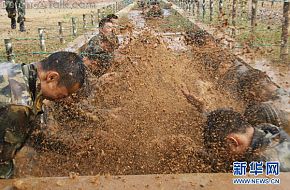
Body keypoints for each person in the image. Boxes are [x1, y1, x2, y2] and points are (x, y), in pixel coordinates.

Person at [0, 51, 86, 179]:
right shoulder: (19, 106)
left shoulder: (16, 70)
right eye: (63, 95)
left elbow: (33, 135)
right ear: (51, 77)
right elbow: (2, 162)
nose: (62, 99)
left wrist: (66, 148)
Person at [204, 109, 290, 172]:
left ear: (233, 142)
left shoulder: (263, 166)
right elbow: (227, 121)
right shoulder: (267, 129)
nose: (222, 159)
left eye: (222, 154)